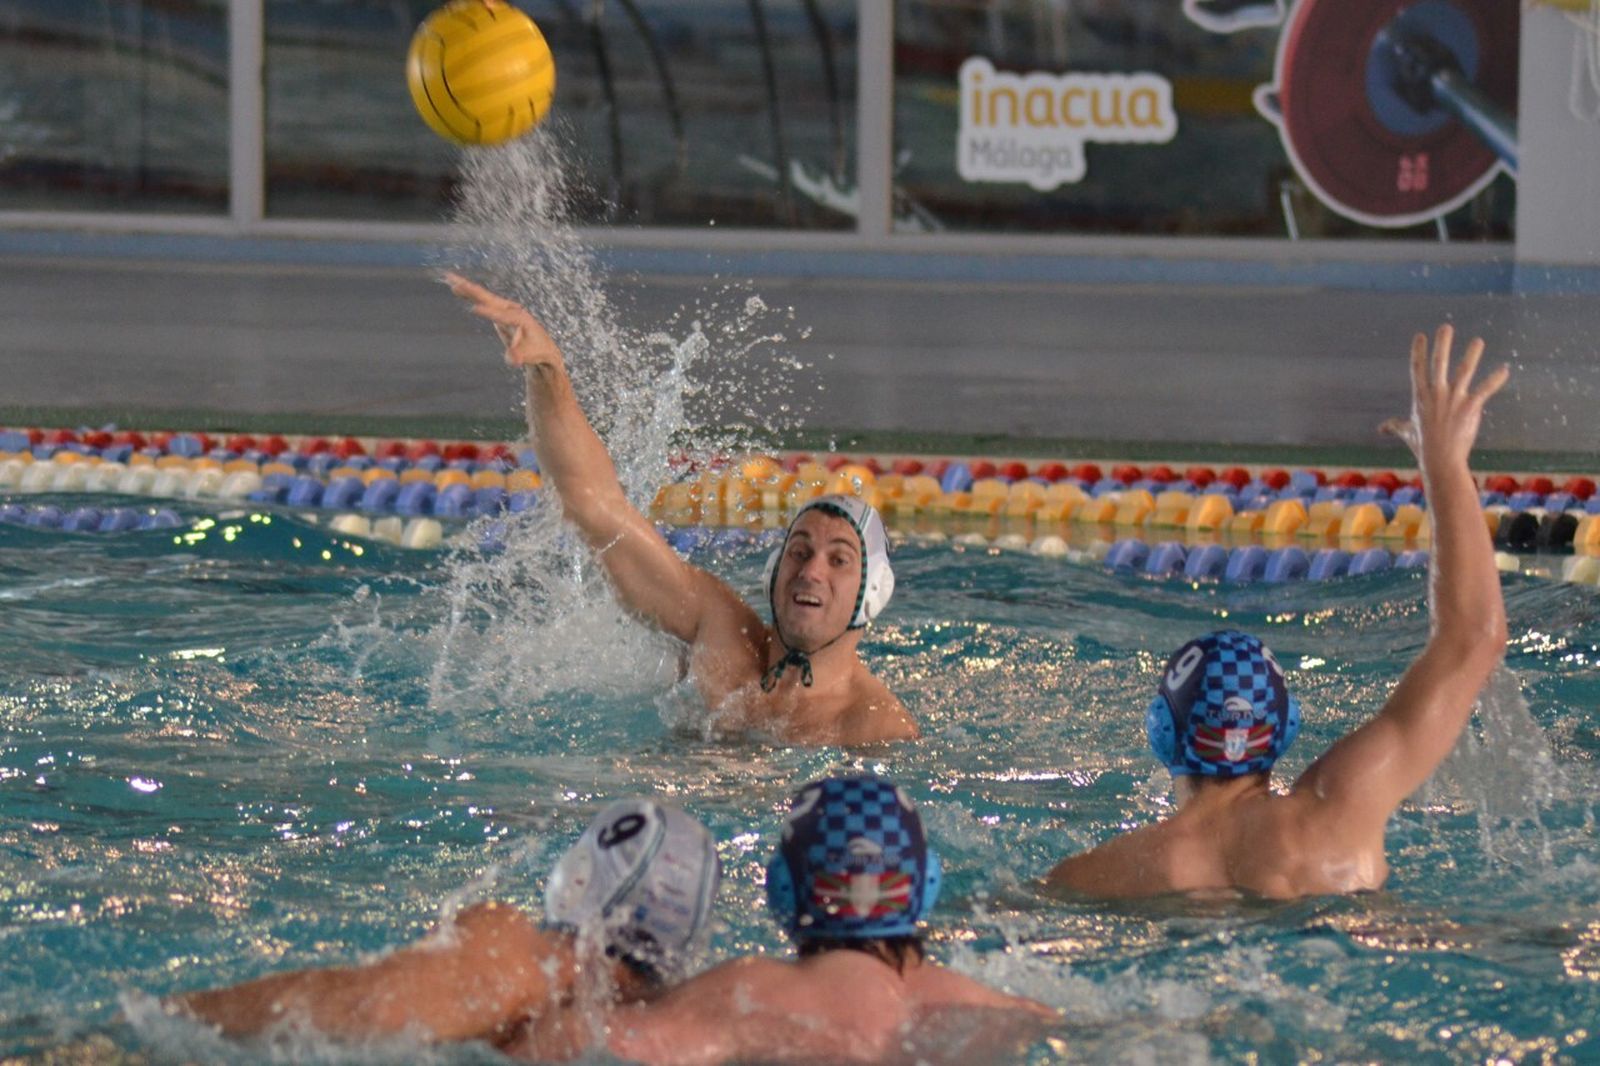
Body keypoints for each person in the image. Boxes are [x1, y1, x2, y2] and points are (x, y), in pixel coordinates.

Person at [1045, 324, 1511, 900]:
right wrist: (1445, 462)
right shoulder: (1342, 811)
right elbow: (1474, 638)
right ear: (1285, 729)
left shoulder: (1100, 875)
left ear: (1162, 731)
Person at [445, 273, 916, 745]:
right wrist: (548, 370)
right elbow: (596, 506)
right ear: (775, 568)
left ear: (872, 592)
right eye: (799, 550)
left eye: (839, 560)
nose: (811, 570)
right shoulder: (719, 630)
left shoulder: (872, 728)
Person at [167, 798, 720, 1057]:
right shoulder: (694, 1021)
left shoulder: (524, 955)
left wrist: (139, 1032)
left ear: (577, 879)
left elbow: (366, 1009)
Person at [605, 773, 1058, 1065]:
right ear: (926, 884)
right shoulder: (1010, 1015)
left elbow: (577, 1046)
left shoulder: (743, 994)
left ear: (783, 884)